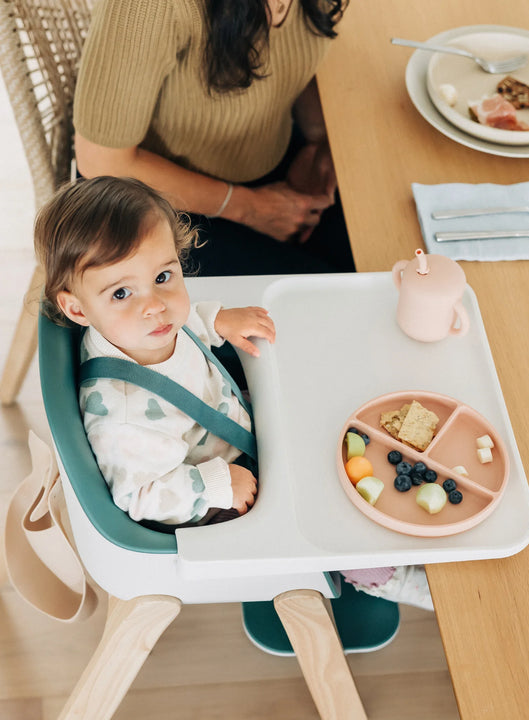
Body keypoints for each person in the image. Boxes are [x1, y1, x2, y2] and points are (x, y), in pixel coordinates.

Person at [35, 177, 432, 609]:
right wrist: (216, 486)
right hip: (219, 501)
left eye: (164, 276)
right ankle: (389, 578)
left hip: (229, 427)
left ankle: (390, 524)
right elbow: (142, 497)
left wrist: (217, 320)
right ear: (77, 308)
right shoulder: (123, 418)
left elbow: (182, 333)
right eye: (122, 292)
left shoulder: (138, 330)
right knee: (324, 527)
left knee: (329, 421)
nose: (155, 305)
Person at [72, 0, 355, 276]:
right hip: (156, 203)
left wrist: (319, 142)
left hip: (265, 153)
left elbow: (300, 47)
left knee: (376, 260)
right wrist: (251, 208)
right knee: (338, 298)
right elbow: (101, 161)